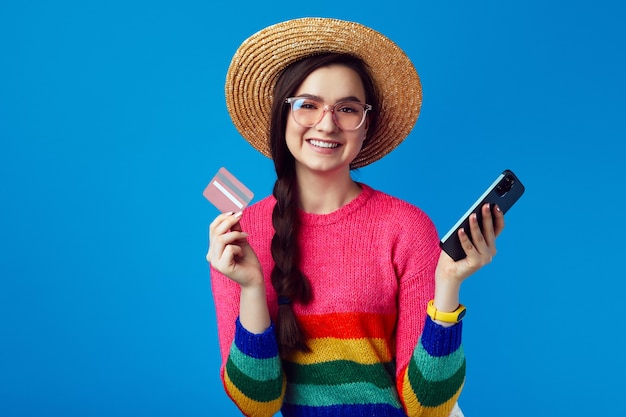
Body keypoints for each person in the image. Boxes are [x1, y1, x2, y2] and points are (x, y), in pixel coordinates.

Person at [207, 17, 504, 417]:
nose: (327, 124)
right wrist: (252, 288)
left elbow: (429, 407)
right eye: (308, 105)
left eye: (347, 109)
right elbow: (257, 404)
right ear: (282, 116)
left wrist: (448, 283)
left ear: (366, 127)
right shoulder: (240, 237)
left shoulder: (407, 228)